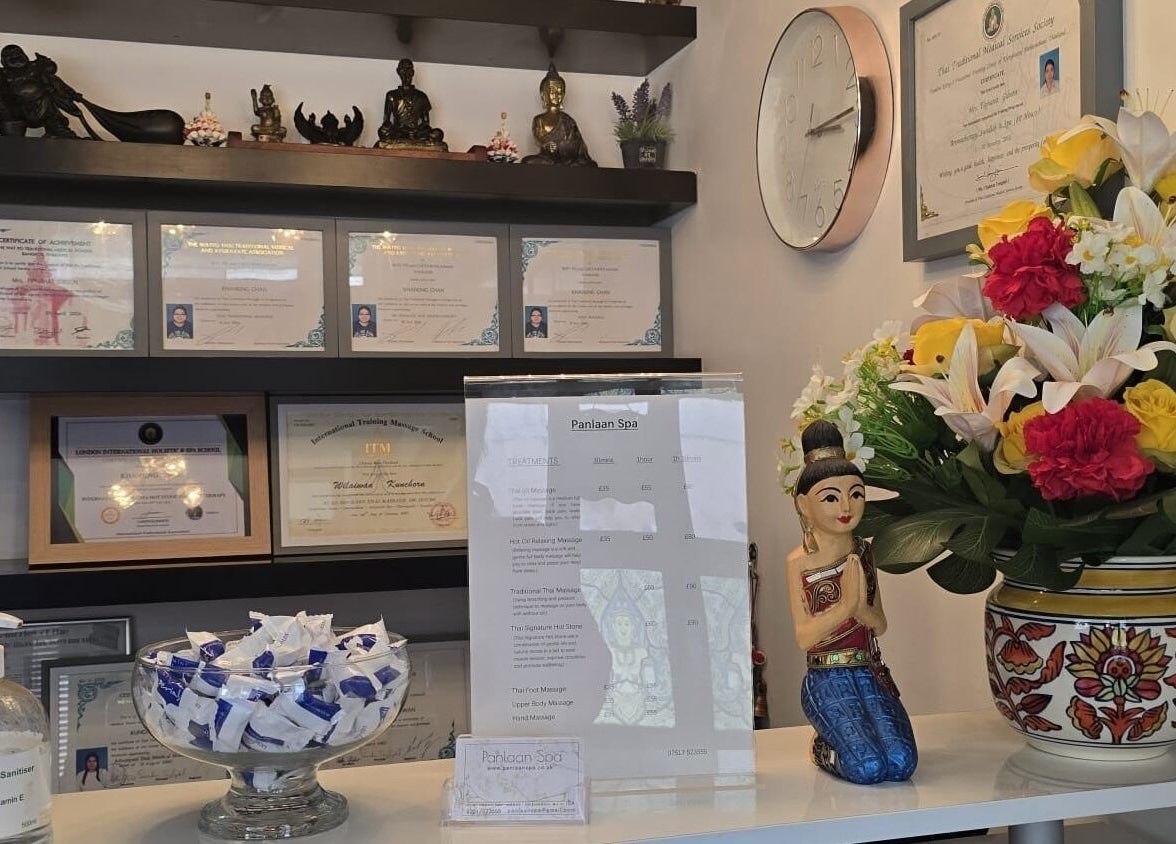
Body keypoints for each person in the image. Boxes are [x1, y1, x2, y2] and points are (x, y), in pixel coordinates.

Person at [787, 420, 917, 785]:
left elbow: (880, 624)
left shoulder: (864, 552)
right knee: (867, 767)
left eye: (856, 494)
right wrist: (844, 607)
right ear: (804, 505)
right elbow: (804, 637)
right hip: (826, 676)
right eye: (830, 497)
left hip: (869, 670)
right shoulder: (800, 562)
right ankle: (821, 747)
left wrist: (863, 611)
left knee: (901, 762)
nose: (846, 506)